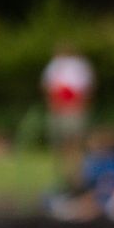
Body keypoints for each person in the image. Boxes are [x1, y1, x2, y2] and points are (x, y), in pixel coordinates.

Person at [41, 45, 96, 180]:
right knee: (62, 143)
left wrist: (78, 105)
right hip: (60, 109)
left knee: (76, 142)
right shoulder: (54, 66)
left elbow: (85, 89)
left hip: (74, 108)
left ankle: (78, 173)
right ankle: (65, 174)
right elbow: (49, 88)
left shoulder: (78, 66)